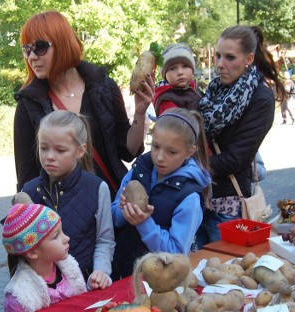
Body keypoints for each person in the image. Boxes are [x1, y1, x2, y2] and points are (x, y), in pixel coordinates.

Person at [13, 10, 154, 195]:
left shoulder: (103, 87)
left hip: (112, 204)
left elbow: (128, 151)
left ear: (63, 43)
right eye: (26, 49)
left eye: (40, 47)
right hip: (65, 213)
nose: (32, 57)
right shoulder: (29, 104)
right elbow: (27, 178)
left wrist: (140, 113)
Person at [195, 25, 283, 247]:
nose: (220, 64)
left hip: (229, 206)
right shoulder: (215, 90)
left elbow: (236, 158)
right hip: (198, 200)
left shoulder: (260, 98)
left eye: (230, 57)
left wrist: (189, 167)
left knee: (222, 271)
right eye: (218, 56)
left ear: (249, 58)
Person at [111, 108, 211, 279]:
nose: (159, 157)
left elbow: (176, 255)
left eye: (171, 152)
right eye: (155, 146)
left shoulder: (189, 197)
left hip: (159, 283)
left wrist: (144, 223)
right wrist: (123, 211)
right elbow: (114, 218)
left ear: (190, 151)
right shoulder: (139, 170)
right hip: (121, 271)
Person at [21, 110, 114, 288]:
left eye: (60, 150)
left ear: (80, 150)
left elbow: (105, 239)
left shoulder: (96, 188)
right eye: (44, 147)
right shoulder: (29, 192)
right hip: (41, 290)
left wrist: (101, 271)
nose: (49, 156)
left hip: (84, 286)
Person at [2, 203, 87, 312]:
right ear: (32, 252)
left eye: (62, 231)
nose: (66, 238)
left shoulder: (70, 268)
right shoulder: (19, 297)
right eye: (56, 236)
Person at [152, 43, 202, 116]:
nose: (180, 72)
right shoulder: (166, 100)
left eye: (185, 66)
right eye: (172, 68)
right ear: (165, 75)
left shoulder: (194, 88)